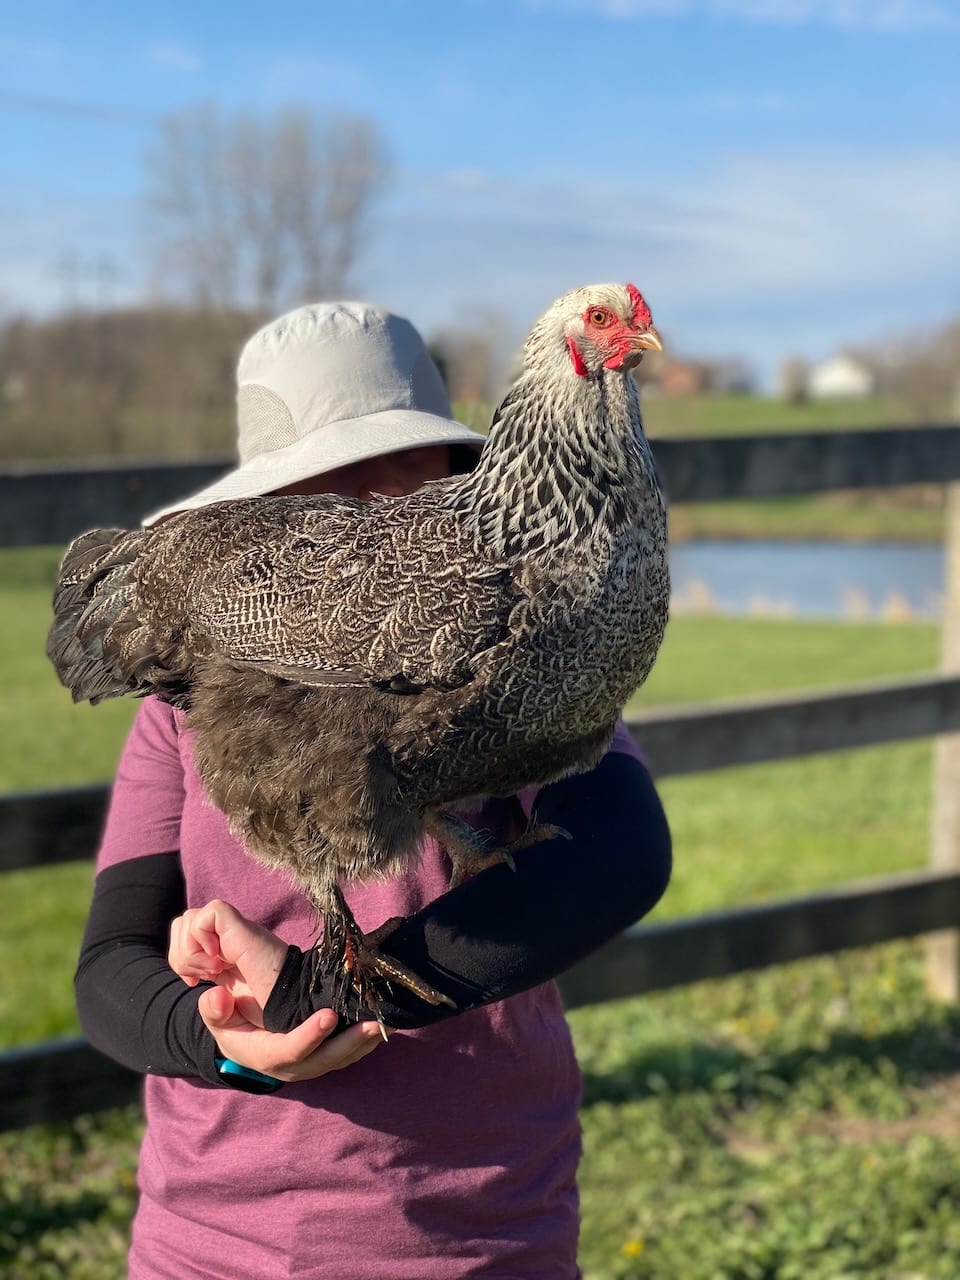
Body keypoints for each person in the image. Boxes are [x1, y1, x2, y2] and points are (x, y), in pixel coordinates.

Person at [75, 300, 672, 1280]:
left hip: (475, 1222)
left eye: (399, 460)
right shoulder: (183, 706)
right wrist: (231, 1036)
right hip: (216, 1237)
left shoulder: (527, 640)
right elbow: (110, 969)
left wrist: (339, 989)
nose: (370, 494)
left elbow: (619, 855)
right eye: (324, 480)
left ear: (450, 470)